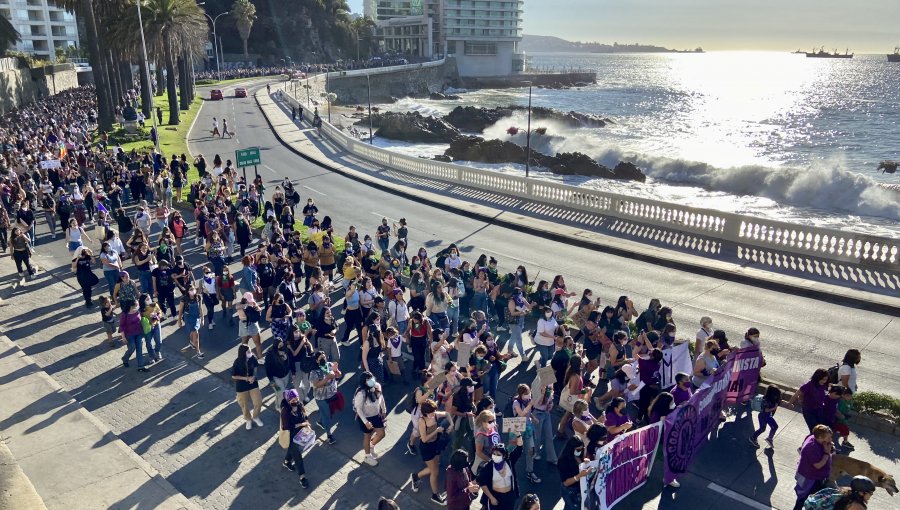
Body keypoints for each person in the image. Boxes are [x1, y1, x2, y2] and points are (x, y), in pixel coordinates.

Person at [411, 399, 450, 505]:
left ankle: (416, 476)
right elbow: (424, 439)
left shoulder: (435, 415)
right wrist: (436, 430)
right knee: (435, 472)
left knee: (434, 465)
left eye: (434, 411)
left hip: (435, 444)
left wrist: (451, 425)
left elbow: (447, 414)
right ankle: (435, 495)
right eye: (430, 413)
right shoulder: (422, 421)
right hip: (427, 448)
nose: (433, 414)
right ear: (425, 413)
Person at [792, 424, 834, 510]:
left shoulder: (817, 440)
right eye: (828, 438)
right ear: (820, 437)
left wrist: (830, 448)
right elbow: (818, 466)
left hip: (818, 477)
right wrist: (827, 453)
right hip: (810, 479)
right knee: (804, 499)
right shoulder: (811, 447)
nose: (831, 440)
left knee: (817, 500)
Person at [353, 371, 387, 467]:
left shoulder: (377, 386)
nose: (372, 380)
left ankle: (372, 446)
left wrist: (384, 410)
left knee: (381, 434)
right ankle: (367, 456)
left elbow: (381, 398)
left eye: (371, 378)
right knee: (367, 436)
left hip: (376, 415)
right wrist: (366, 422)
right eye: (368, 379)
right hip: (366, 418)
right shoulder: (361, 393)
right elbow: (358, 409)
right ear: (364, 382)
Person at [279, 389, 311, 489]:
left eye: (296, 398)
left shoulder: (300, 404)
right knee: (298, 456)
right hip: (290, 435)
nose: (295, 400)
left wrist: (307, 424)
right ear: (288, 400)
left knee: (292, 450)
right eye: (292, 399)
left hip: (299, 433)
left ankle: (287, 461)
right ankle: (302, 477)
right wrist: (302, 424)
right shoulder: (285, 410)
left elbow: (305, 415)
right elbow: (286, 427)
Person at [309, 350, 339, 445]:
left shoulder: (329, 365)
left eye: (324, 357)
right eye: (321, 358)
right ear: (317, 361)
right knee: (328, 416)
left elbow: (338, 374)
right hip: (321, 398)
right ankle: (329, 435)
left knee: (326, 412)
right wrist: (327, 378)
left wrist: (337, 372)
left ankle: (321, 421)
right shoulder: (314, 372)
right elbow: (317, 385)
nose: (324, 359)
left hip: (332, 394)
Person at [477, 444, 520, 510]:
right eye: (494, 454)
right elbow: (483, 483)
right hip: (496, 497)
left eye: (498, 455)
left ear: (504, 456)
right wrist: (491, 498)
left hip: (509, 497)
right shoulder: (488, 466)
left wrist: (518, 435)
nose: (495, 456)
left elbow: (519, 449)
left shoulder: (509, 462)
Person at [232, 344, 264, 430]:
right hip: (241, 386)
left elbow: (256, 369)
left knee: (258, 402)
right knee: (244, 404)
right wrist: (246, 378)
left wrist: (254, 377)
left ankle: (255, 417)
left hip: (253, 384)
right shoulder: (237, 362)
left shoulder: (253, 359)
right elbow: (234, 376)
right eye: (248, 352)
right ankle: (248, 419)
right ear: (243, 353)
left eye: (250, 351)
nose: (250, 353)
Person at [804, 475, 875, 510]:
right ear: (862, 493)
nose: (871, 495)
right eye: (870, 493)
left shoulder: (845, 492)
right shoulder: (857, 506)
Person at [557, 437, 590, 510]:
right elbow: (565, 483)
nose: (580, 451)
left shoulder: (578, 456)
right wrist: (579, 476)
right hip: (570, 490)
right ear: (571, 448)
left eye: (582, 449)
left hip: (578, 488)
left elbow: (580, 467)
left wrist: (585, 463)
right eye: (578, 450)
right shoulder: (563, 461)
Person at [119, 300, 149, 372]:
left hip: (139, 334)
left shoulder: (138, 312)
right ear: (131, 307)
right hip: (129, 335)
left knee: (139, 349)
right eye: (137, 305)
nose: (138, 306)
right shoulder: (125, 315)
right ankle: (125, 359)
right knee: (132, 347)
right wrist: (123, 337)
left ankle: (140, 366)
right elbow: (121, 326)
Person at [177, 284, 204, 358]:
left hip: (196, 317)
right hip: (188, 318)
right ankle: (198, 351)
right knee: (195, 332)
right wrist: (179, 320)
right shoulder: (184, 299)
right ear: (187, 291)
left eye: (193, 289)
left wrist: (202, 319)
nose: (193, 291)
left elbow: (201, 308)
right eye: (191, 289)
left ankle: (192, 343)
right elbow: (180, 310)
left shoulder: (198, 297)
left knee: (194, 332)